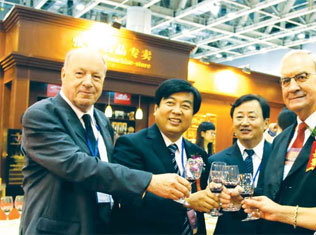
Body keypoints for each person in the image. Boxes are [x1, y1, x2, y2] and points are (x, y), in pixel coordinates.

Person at [20, 48, 191, 234]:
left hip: (102, 225)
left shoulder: (101, 120)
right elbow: (78, 166)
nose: (88, 82)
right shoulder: (42, 114)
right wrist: (149, 181)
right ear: (63, 74)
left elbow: (111, 172)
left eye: (96, 77)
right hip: (58, 229)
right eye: (80, 74)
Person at [237, 50, 316, 234]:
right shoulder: (281, 139)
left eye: (301, 77)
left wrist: (282, 213)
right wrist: (242, 197)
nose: (292, 87)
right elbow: (272, 194)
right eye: (285, 81)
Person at [110, 79, 218, 234]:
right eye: (170, 103)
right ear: (156, 108)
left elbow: (201, 192)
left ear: (192, 115)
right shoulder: (131, 145)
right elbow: (127, 196)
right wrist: (186, 202)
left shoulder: (197, 153)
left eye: (185, 106)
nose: (177, 111)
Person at [209, 94, 273, 234]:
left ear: (266, 123)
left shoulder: (279, 156)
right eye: (239, 117)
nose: (244, 123)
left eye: (251, 117)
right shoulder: (216, 161)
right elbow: (212, 202)